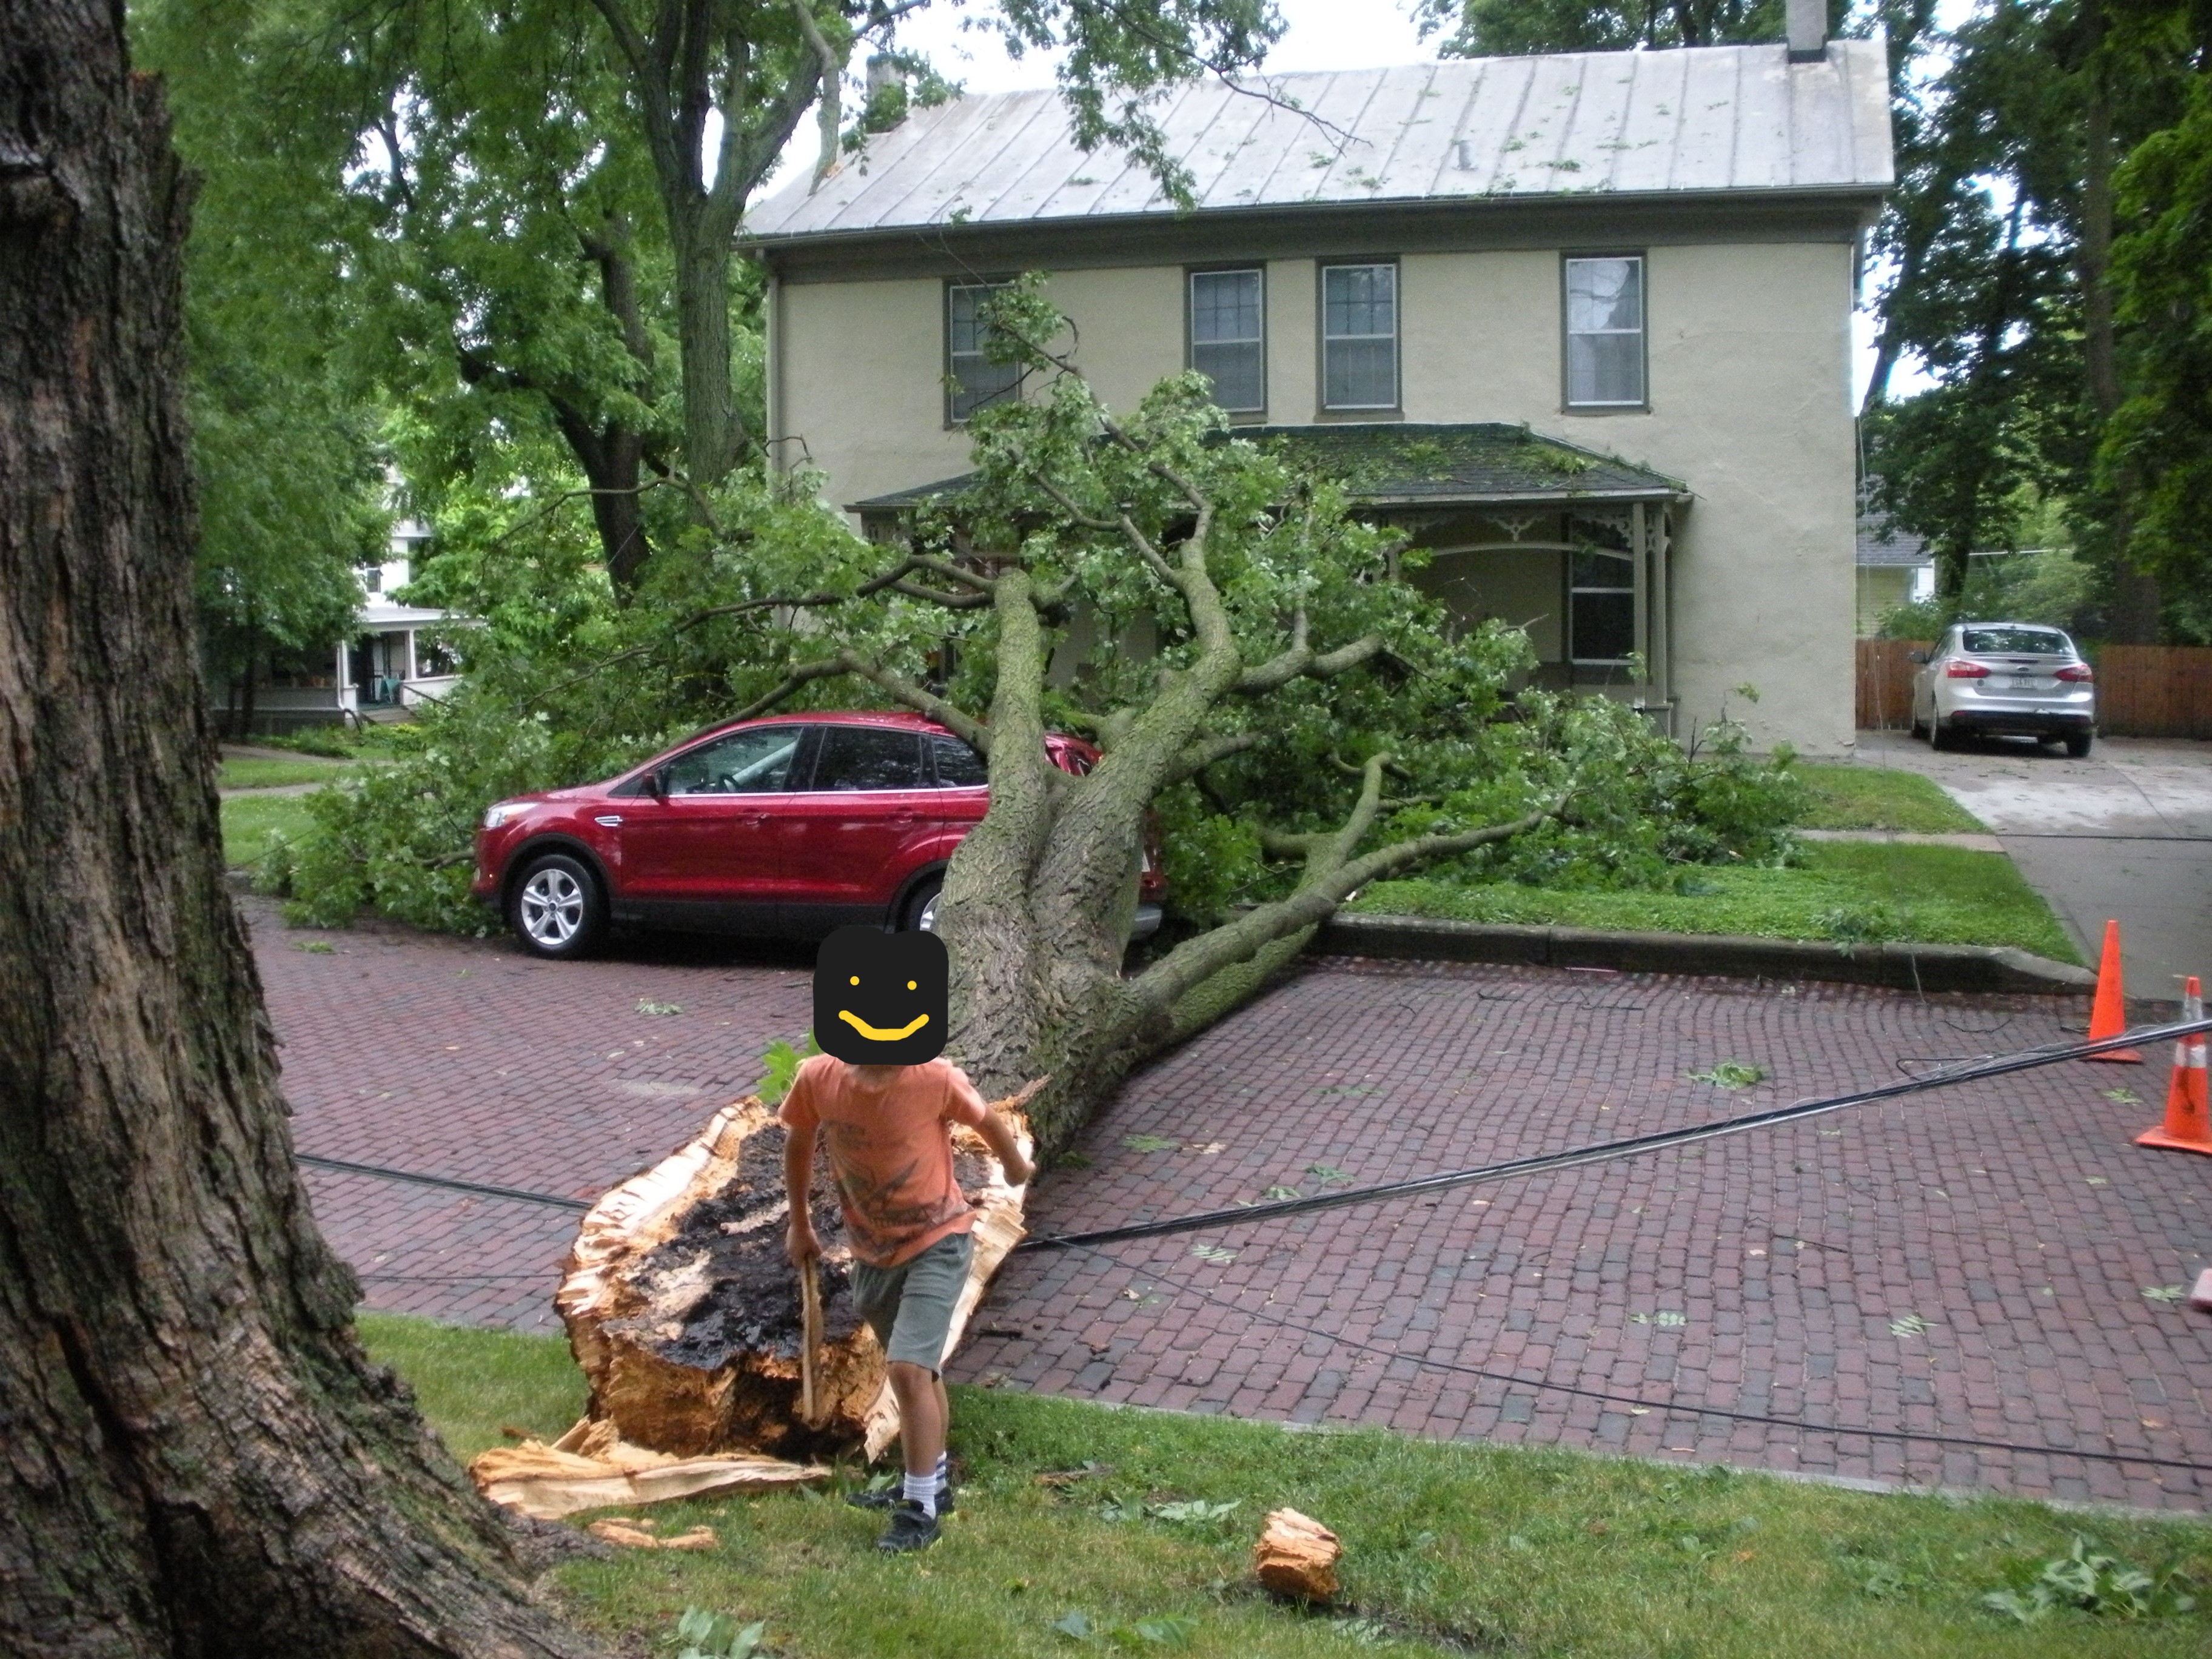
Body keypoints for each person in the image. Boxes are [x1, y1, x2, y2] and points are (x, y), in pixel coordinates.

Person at [781, 1023, 1036, 1553]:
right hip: (872, 1250)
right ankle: (933, 1482)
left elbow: (986, 1117)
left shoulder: (933, 1077)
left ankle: (918, 1507)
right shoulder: (818, 1077)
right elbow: (799, 1141)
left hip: (939, 1241)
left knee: (907, 1367)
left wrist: (1015, 1164)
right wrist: (800, 1224)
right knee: (921, 1371)